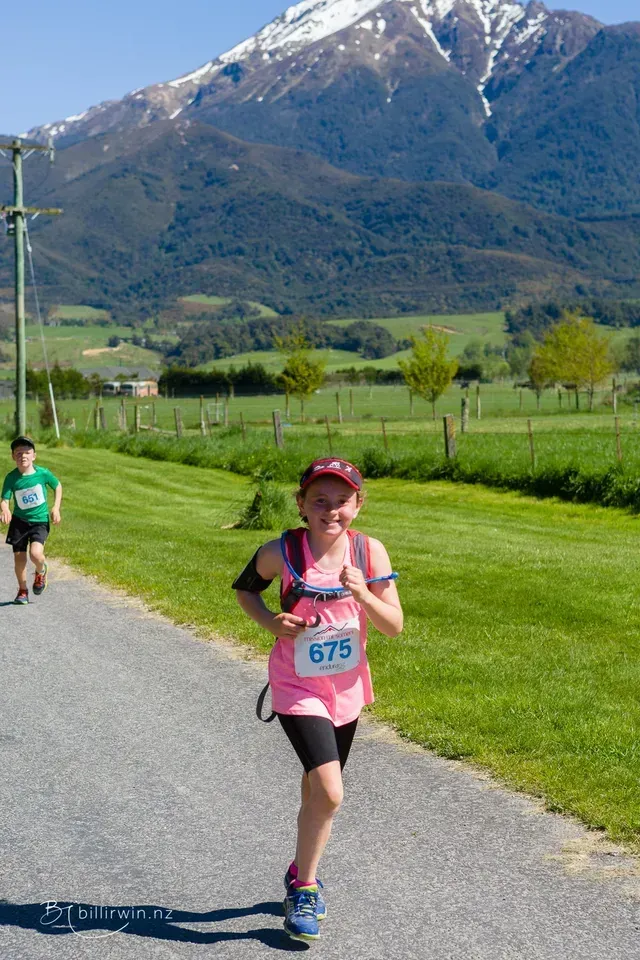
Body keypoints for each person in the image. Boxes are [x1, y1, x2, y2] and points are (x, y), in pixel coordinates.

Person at [233, 457, 402, 942]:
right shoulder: (280, 552)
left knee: (315, 790)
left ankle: (298, 868)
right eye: (319, 501)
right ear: (301, 504)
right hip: (297, 685)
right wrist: (270, 622)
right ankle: (304, 889)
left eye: (342, 501)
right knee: (330, 791)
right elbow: (246, 592)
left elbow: (394, 626)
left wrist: (365, 594)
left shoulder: (370, 554)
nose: (331, 510)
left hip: (346, 690)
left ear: (358, 504)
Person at [1, 436, 62, 605]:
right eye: (19, 453)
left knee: (35, 554)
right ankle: (22, 590)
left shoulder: (43, 474)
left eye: (27, 452)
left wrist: (56, 508)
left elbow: (57, 486)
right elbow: (5, 499)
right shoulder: (11, 478)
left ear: (34, 455)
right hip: (19, 522)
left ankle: (40, 571)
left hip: (39, 521)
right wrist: (5, 509)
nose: (23, 456)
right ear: (13, 456)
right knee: (19, 559)